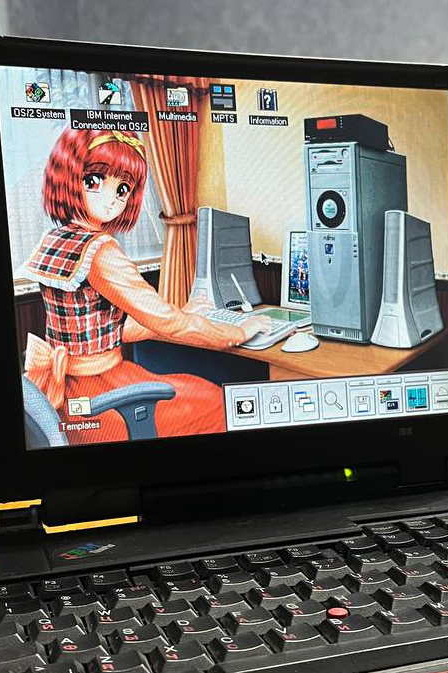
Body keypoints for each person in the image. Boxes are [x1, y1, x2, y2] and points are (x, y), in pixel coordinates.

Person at [22, 127, 270, 444]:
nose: (110, 200)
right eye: (94, 181)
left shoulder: (57, 240)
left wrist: (184, 313)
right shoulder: (100, 252)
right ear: (68, 178)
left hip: (68, 399)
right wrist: (237, 332)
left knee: (191, 386)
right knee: (216, 401)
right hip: (100, 401)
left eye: (122, 189)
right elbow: (165, 322)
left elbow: (104, 328)